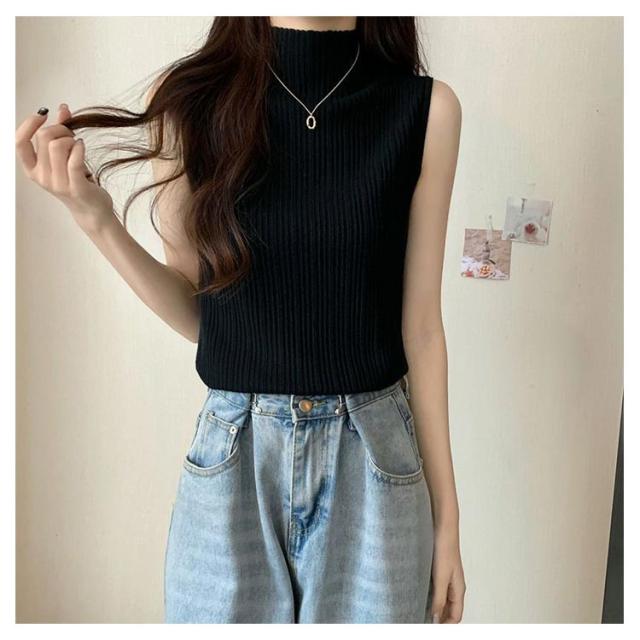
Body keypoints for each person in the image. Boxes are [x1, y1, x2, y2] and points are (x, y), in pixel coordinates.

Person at [15, 15, 464, 624]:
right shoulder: (189, 101)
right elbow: (201, 311)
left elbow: (423, 332)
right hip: (235, 456)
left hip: (375, 463)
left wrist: (447, 522)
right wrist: (94, 218)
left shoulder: (426, 111)